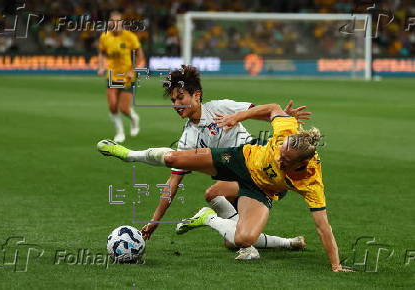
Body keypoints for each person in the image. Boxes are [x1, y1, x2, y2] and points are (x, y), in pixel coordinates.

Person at [96, 102, 352, 272]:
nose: (278, 157)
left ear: (302, 162)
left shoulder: (311, 182)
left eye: (285, 160)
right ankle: (128, 153)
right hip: (240, 159)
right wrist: (238, 116)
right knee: (175, 158)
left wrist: (336, 265)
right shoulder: (287, 131)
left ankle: (209, 218)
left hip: (260, 190)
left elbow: (323, 227)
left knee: (243, 239)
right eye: (280, 152)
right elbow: (274, 108)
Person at [137, 65, 310, 252]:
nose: (176, 104)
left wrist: (281, 118)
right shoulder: (187, 139)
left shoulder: (219, 107)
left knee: (219, 202)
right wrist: (154, 221)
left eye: (180, 98)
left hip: (259, 166)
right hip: (235, 176)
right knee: (233, 239)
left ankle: (211, 219)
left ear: (196, 95)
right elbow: (173, 182)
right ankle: (288, 243)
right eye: (173, 100)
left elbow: (257, 111)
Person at [97, 11, 145, 142]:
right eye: (112, 21)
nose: (114, 24)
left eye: (117, 21)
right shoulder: (104, 37)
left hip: (127, 76)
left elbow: (140, 57)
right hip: (112, 75)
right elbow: (101, 53)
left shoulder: (130, 37)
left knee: (124, 109)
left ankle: (134, 118)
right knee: (112, 105)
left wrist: (132, 70)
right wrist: (101, 66)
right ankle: (120, 132)